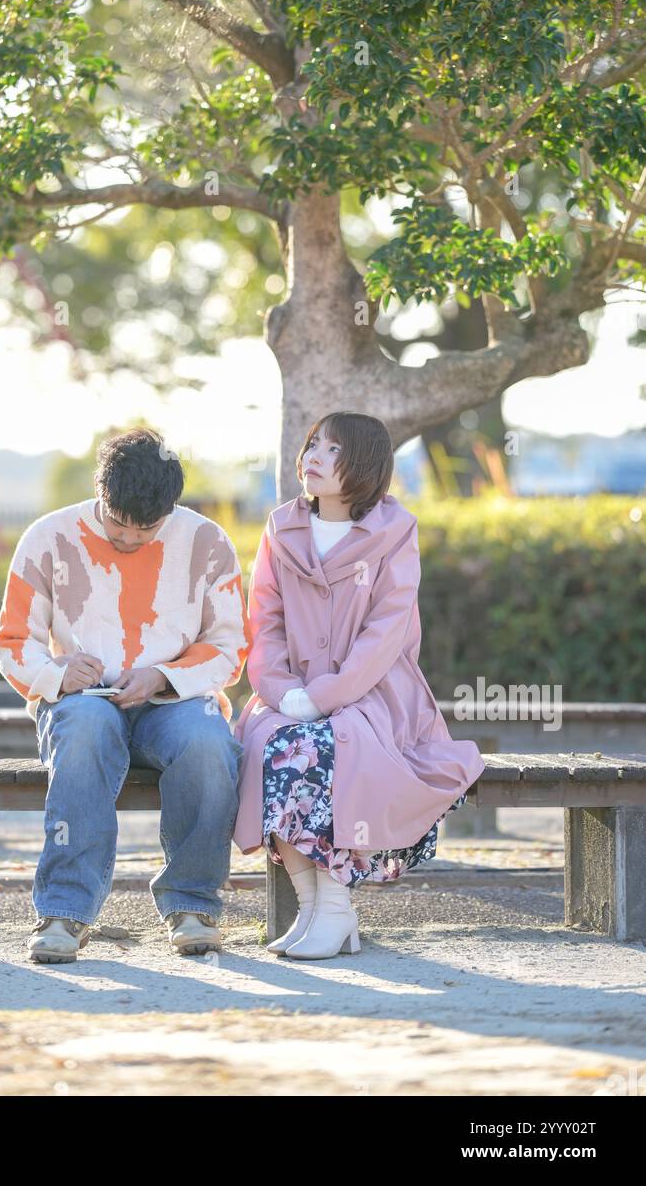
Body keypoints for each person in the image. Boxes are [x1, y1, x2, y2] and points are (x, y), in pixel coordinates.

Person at [232, 411, 486, 960]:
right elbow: (264, 621)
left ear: (365, 465)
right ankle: (313, 908)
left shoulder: (394, 532)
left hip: (373, 693)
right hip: (287, 692)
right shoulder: (282, 527)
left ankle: (338, 910)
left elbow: (385, 633)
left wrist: (324, 697)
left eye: (333, 450)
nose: (314, 458)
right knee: (268, 748)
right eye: (312, 445)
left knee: (329, 749)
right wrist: (282, 691)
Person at [0, 427, 250, 963]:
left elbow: (229, 648)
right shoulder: (48, 537)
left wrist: (162, 676)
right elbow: (14, 643)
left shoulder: (208, 543)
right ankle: (64, 912)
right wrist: (58, 673)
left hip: (174, 702)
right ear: (98, 491)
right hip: (80, 703)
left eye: (147, 528)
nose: (130, 539)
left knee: (208, 743)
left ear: (172, 507)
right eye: (117, 524)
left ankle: (192, 904)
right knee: (85, 729)